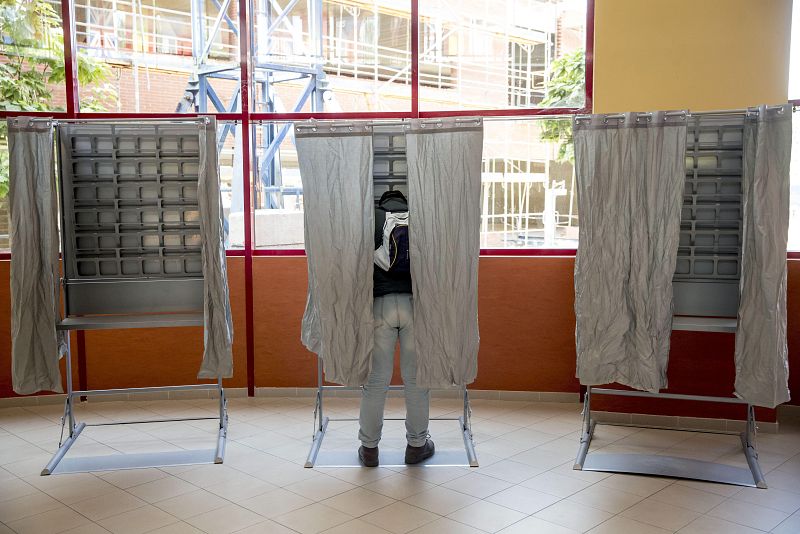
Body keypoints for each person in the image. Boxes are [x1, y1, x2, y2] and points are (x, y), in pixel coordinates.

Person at [358, 190, 435, 467]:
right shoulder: (420, 220)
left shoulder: (372, 220)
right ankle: (416, 446)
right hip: (415, 305)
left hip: (381, 305)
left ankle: (369, 449)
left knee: (376, 382)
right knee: (416, 381)